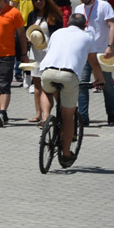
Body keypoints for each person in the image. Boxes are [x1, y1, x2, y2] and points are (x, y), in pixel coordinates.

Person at [39, 13, 94, 166]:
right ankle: (66, 152)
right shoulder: (87, 37)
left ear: (68, 23)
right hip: (69, 75)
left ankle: (45, 117)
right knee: (68, 117)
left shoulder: (57, 33)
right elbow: (94, 62)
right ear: (85, 25)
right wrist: (100, 80)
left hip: (48, 71)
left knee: (46, 91)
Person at [70, 0, 114, 126]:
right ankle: (84, 118)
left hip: (102, 53)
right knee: (82, 85)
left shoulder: (104, 6)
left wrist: (110, 46)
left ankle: (111, 114)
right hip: (84, 54)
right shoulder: (78, 8)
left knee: (107, 85)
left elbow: (112, 25)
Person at [25, 0, 62, 125]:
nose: (38, 1)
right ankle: (39, 113)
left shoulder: (53, 15)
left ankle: (62, 110)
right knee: (37, 85)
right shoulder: (32, 15)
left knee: (52, 85)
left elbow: (59, 35)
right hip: (35, 53)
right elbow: (28, 31)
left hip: (49, 53)